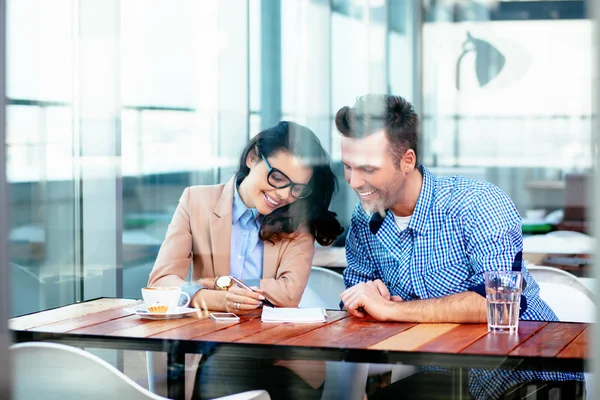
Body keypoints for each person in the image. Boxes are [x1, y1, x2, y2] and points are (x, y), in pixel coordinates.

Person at [336, 94, 584, 399]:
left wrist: (392, 309)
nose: (353, 181)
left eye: (368, 169)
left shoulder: (477, 203)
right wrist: (364, 301)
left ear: (407, 161)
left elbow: (496, 303)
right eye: (347, 166)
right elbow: (355, 299)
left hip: (527, 378)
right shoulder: (365, 220)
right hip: (444, 377)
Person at [148, 121, 343, 399]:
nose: (284, 194)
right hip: (214, 348)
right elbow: (160, 285)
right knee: (222, 370)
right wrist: (220, 299)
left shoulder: (297, 220)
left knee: (226, 374)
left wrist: (213, 286)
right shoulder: (196, 202)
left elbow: (288, 293)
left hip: (282, 357)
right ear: (252, 157)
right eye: (277, 178)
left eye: (297, 188)